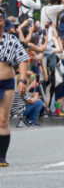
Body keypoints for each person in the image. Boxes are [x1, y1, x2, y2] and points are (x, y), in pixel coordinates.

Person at [0, 13, 29, 164]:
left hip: (6, 83)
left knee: (3, 120)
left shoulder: (12, 40)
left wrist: (22, 80)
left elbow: (23, 60)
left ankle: (2, 157)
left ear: (4, 22)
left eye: (0, 19)